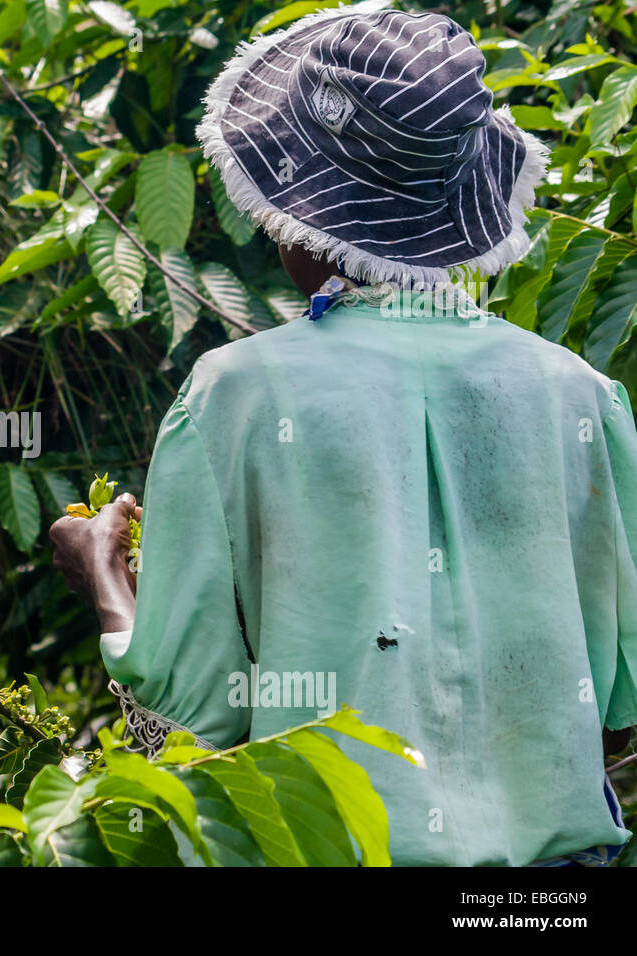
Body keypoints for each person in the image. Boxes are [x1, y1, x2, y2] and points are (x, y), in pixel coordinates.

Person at [50, 4, 636, 866]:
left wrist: (105, 578)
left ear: (300, 211)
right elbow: (619, 696)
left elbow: (187, 726)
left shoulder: (237, 395)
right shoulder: (580, 395)